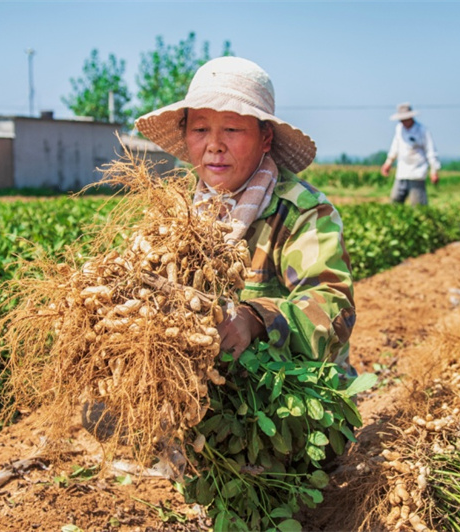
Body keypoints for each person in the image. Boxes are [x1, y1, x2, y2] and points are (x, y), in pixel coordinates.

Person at [135, 56, 356, 375]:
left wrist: (255, 321)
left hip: (289, 386)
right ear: (185, 135)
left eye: (232, 129)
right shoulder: (178, 211)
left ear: (266, 138)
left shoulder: (301, 212)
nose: (214, 145)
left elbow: (334, 309)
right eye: (200, 129)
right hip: (204, 382)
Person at [380, 102, 441, 206]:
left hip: (417, 172)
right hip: (402, 172)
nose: (402, 122)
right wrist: (388, 163)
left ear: (410, 118)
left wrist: (433, 171)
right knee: (395, 201)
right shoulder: (399, 129)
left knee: (418, 205)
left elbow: (431, 151)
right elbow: (395, 147)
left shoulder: (422, 131)